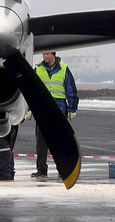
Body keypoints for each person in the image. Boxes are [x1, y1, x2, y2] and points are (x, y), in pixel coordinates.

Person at [31, 51, 79, 180]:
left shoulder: (64, 69)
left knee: (59, 143)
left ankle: (62, 169)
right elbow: (31, 90)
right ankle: (41, 170)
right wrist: (29, 108)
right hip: (42, 111)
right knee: (41, 143)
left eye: (47, 54)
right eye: (43, 55)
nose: (45, 57)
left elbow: (71, 89)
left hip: (59, 111)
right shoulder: (38, 70)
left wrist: (72, 108)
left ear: (53, 54)